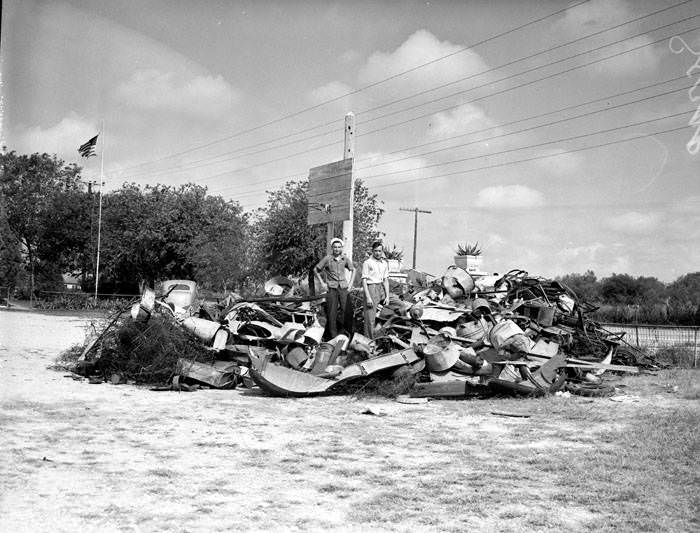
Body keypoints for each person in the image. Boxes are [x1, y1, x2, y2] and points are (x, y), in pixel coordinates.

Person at [315, 238, 355, 339]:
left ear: (341, 248)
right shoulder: (328, 258)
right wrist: (322, 283)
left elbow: (353, 270)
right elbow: (316, 270)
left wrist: (350, 284)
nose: (337, 249)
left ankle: (347, 336)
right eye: (335, 247)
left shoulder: (344, 259)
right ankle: (333, 337)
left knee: (347, 311)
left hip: (343, 288)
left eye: (339, 247)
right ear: (332, 248)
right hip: (331, 288)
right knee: (331, 313)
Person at [361, 240, 389, 338]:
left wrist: (388, 296)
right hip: (371, 288)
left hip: (381, 288)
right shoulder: (367, 262)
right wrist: (368, 297)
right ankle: (369, 341)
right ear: (372, 251)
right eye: (376, 251)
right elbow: (364, 281)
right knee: (370, 318)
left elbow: (385, 280)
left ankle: (383, 334)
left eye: (380, 251)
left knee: (398, 306)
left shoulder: (384, 263)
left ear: (382, 252)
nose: (378, 253)